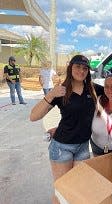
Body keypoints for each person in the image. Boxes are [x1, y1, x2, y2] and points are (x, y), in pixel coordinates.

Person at [30, 55, 98, 204]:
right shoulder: (61, 91)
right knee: (62, 190)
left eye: (85, 68)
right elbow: (33, 116)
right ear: (70, 68)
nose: (81, 71)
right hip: (62, 147)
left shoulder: (92, 89)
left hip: (83, 147)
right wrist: (51, 94)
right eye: (78, 67)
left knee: (78, 188)